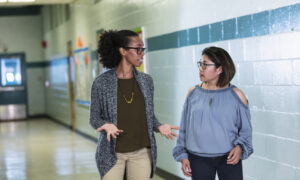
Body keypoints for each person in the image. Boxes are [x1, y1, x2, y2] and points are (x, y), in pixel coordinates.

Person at [89, 30, 179, 180]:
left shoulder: (146, 81)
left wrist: (159, 126)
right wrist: (106, 125)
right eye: (138, 49)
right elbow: (94, 118)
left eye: (143, 49)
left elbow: (148, 116)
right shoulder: (101, 83)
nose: (142, 53)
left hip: (141, 152)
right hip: (112, 154)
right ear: (123, 51)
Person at [172, 46, 253, 180]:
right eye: (200, 64)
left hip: (229, 158)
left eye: (205, 65)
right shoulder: (192, 93)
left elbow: (246, 130)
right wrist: (182, 155)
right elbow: (184, 129)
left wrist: (240, 147)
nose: (200, 69)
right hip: (197, 158)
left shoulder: (237, 95)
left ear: (219, 69)